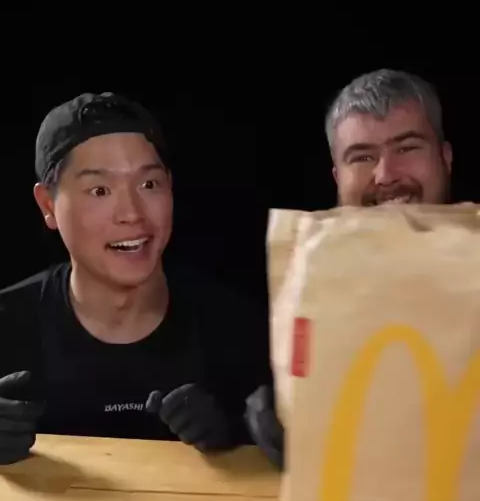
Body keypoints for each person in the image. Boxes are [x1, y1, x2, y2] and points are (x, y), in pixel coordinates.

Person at [0, 92, 271, 465]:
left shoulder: (240, 331)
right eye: (100, 190)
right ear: (48, 205)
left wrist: (239, 438)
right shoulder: (8, 324)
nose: (132, 213)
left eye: (149, 185)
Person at [245, 68, 454, 468]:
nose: (386, 175)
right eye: (362, 157)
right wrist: (274, 420)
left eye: (407, 147)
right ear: (338, 177)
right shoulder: (303, 288)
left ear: (445, 158)